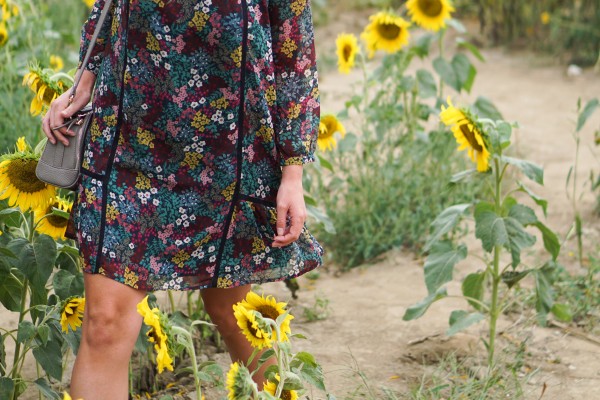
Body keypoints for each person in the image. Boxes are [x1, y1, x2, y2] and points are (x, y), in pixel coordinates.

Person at [41, 0, 323, 398]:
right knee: (105, 322)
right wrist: (83, 80)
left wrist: (293, 170)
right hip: (128, 140)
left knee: (232, 313)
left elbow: (294, 53)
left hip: (231, 151)